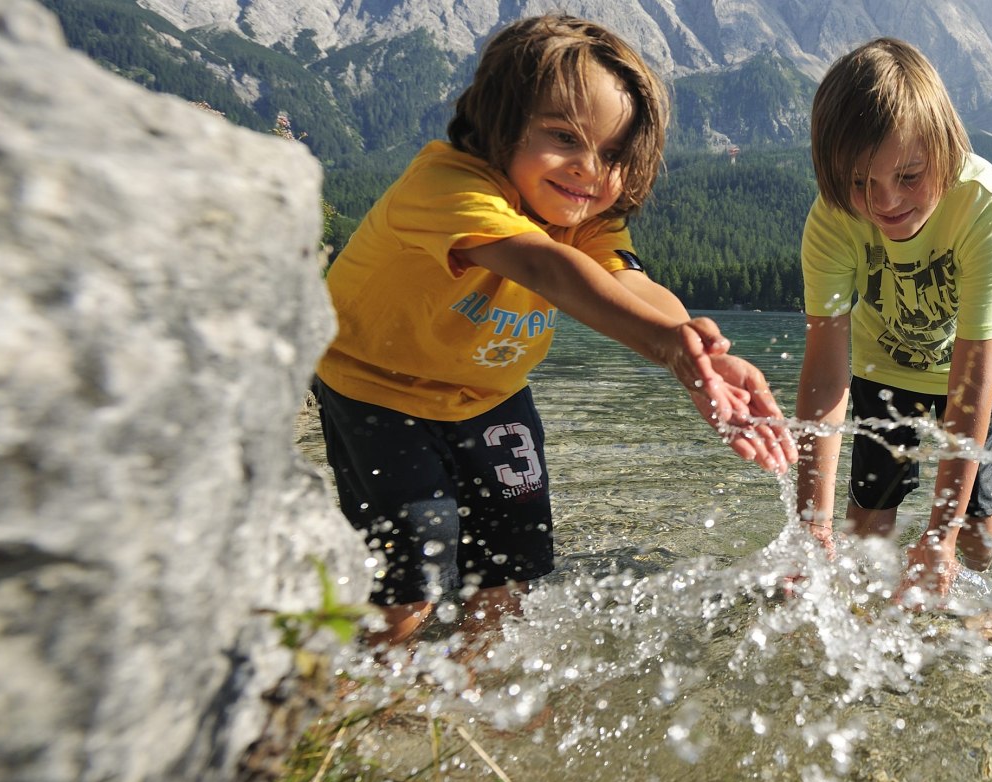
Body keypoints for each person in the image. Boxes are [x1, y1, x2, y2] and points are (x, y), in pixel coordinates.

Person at [313, 14, 794, 654]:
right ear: (500, 121)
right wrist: (667, 349)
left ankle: (477, 691)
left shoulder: (584, 218)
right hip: (377, 392)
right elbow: (547, 268)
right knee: (415, 572)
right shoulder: (447, 185)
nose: (589, 170)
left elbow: (626, 283)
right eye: (564, 136)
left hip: (489, 394)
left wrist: (694, 346)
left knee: (515, 563)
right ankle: (367, 703)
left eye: (614, 154)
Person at [794, 37, 992, 602]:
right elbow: (826, 374)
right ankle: (869, 616)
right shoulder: (831, 221)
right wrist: (810, 525)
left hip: (980, 367)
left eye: (908, 176)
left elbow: (972, 377)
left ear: (944, 151)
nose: (885, 203)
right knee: (864, 523)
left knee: (974, 525)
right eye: (860, 182)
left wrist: (939, 535)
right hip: (884, 361)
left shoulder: (982, 204)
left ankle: (987, 601)